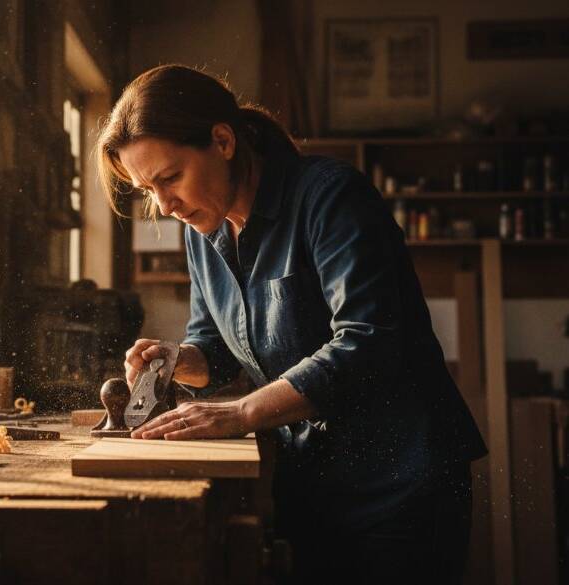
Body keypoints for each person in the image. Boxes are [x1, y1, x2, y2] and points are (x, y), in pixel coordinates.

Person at [96, 64, 487, 584]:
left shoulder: (330, 197)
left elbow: (369, 341)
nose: (165, 205)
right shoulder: (202, 230)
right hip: (311, 478)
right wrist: (177, 360)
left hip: (400, 482)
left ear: (222, 141)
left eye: (170, 178)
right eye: (148, 190)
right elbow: (213, 348)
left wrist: (242, 413)